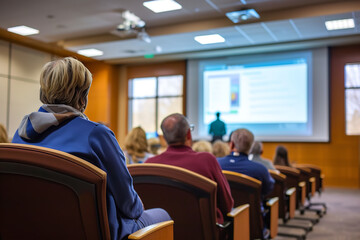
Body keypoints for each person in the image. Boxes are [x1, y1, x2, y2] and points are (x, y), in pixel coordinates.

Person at [11, 57, 170, 240]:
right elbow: (129, 205)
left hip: (34, 228)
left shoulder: (20, 136)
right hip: (98, 232)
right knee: (162, 215)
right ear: (82, 96)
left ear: (43, 91)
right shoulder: (96, 135)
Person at [146, 113, 233, 224]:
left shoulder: (150, 164)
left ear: (164, 137)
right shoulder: (207, 161)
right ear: (188, 134)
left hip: (163, 233)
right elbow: (227, 205)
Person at [217, 129, 274, 197]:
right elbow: (268, 190)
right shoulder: (260, 169)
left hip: (223, 207)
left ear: (231, 144)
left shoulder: (215, 164)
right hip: (252, 207)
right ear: (251, 148)